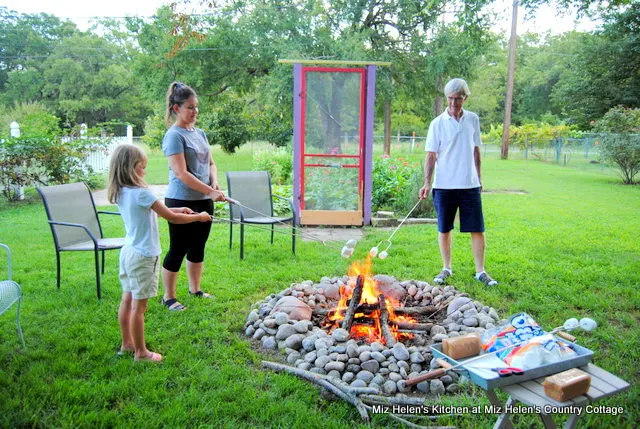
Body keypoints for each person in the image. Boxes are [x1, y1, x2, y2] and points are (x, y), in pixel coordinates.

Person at [108, 144, 213, 362]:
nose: (144, 171)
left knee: (127, 299)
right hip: (144, 256)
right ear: (131, 168)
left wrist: (178, 209)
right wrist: (198, 217)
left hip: (128, 252)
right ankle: (141, 353)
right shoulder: (142, 193)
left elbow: (160, 213)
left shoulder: (121, 191)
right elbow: (172, 219)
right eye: (141, 167)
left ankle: (127, 344)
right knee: (139, 307)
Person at [418, 78, 498, 287]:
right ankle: (446, 268)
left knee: (477, 229)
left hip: (469, 185)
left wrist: (479, 178)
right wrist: (427, 182)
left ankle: (480, 271)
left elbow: (476, 151)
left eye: (458, 99)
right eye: (451, 99)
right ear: (447, 98)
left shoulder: (473, 119)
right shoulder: (437, 123)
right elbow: (431, 155)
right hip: (443, 185)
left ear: (465, 98)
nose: (454, 103)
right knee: (444, 229)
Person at [161, 82, 226, 311]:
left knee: (198, 246)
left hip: (204, 199)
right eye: (190, 107)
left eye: (196, 107)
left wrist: (214, 182)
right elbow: (181, 173)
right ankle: (168, 297)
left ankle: (195, 289)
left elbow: (211, 163)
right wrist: (209, 191)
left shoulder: (200, 134)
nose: (195, 111)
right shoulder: (173, 136)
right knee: (178, 247)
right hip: (181, 201)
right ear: (176, 108)